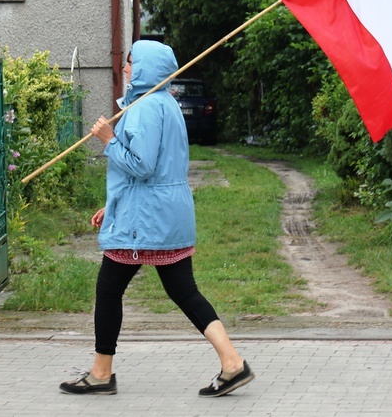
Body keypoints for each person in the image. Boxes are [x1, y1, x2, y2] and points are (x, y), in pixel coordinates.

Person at [59, 40, 254, 398]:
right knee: (183, 290)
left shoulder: (146, 107)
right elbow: (154, 170)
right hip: (161, 212)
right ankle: (233, 363)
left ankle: (102, 374)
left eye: (131, 63)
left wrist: (109, 139)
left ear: (146, 68)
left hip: (145, 221)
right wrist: (114, 204)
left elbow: (142, 166)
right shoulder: (164, 103)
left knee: (109, 289)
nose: (126, 68)